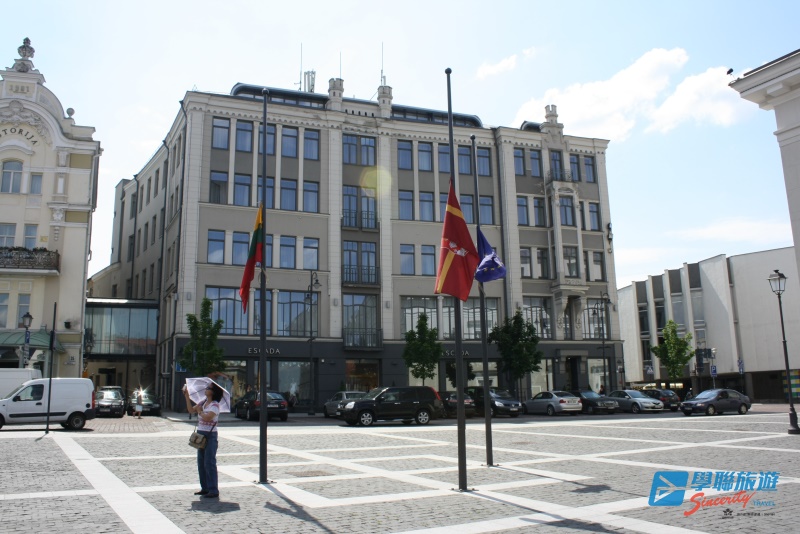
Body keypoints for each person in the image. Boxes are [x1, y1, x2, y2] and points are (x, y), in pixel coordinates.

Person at [184, 382, 223, 499]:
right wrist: (187, 396)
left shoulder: (215, 405)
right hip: (201, 434)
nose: (206, 389)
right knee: (201, 462)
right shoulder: (203, 402)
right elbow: (190, 410)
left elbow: (208, 417)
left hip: (210, 435)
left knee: (209, 462)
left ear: (213, 392)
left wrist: (200, 411)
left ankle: (213, 490)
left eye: (208, 388)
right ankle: (205, 488)